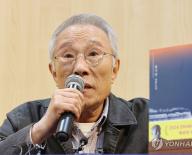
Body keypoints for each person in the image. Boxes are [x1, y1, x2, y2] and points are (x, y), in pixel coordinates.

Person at [0, 13, 148, 154]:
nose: (80, 68)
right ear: (54, 72)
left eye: (93, 54)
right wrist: (39, 130)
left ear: (114, 69)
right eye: (68, 56)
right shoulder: (23, 119)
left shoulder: (146, 118)